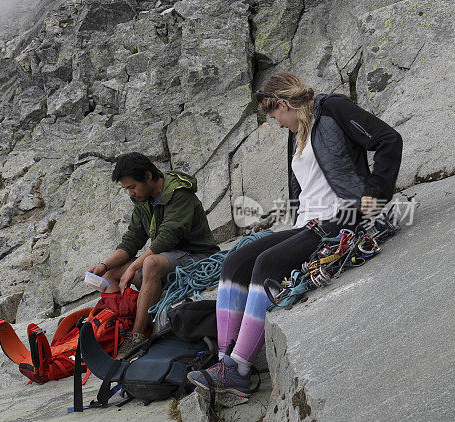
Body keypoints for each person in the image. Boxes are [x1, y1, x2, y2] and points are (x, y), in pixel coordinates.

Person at [186, 72, 402, 397]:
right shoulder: (297, 130)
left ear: (284, 103)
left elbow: (388, 140)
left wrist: (374, 197)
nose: (276, 123)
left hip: (341, 219)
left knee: (266, 265)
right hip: (306, 223)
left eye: (275, 115)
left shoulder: (333, 110)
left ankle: (239, 369)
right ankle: (225, 362)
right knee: (235, 262)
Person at [87, 152, 220, 356]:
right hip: (169, 260)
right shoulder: (143, 199)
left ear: (148, 176)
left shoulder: (178, 194)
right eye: (127, 189)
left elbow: (166, 239)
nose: (131, 193)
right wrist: (104, 266)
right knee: (110, 274)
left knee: (150, 263)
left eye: (132, 187)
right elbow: (132, 240)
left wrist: (133, 267)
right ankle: (121, 326)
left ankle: (137, 336)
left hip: (198, 258)